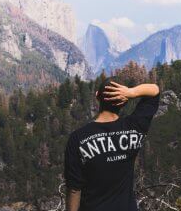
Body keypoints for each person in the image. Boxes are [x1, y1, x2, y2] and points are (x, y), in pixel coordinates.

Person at [64, 78, 161, 211]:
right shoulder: (134, 127)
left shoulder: (78, 138)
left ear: (97, 96)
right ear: (123, 101)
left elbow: (74, 189)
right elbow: (155, 90)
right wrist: (131, 92)